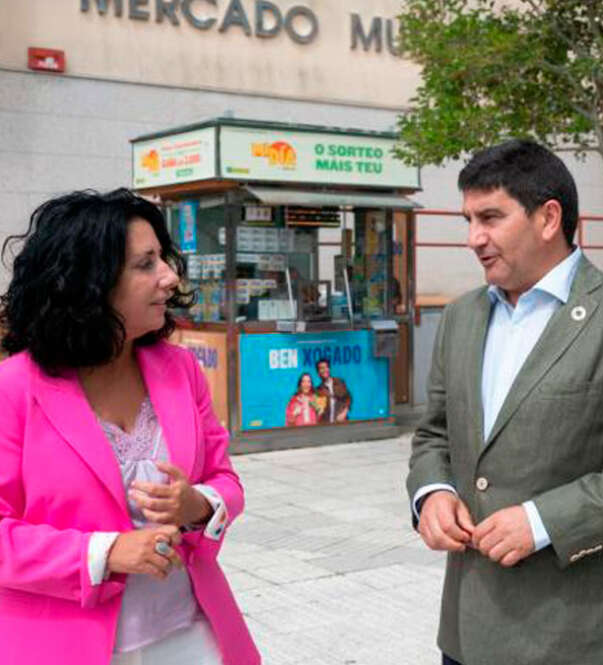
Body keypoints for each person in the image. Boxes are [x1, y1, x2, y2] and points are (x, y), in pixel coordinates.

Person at [406, 140, 603, 665]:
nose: (474, 238)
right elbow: (435, 432)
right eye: (469, 219)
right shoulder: (461, 317)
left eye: (491, 217)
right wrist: (431, 493)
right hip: (468, 629)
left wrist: (544, 521)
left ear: (548, 218)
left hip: (573, 635)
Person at [0, 189, 259, 665]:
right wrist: (105, 552)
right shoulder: (13, 389)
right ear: (90, 283)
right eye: (146, 264)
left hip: (191, 636)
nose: (169, 277)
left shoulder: (179, 369)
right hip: (63, 643)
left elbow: (226, 480)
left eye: (163, 258)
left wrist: (198, 503)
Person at [314, 359, 351, 423]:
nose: (324, 370)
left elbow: (348, 399)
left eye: (326, 367)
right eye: (321, 368)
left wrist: (344, 413)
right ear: (318, 373)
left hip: (341, 422)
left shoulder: (339, 382)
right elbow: (319, 410)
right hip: (326, 425)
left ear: (329, 369)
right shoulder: (318, 390)